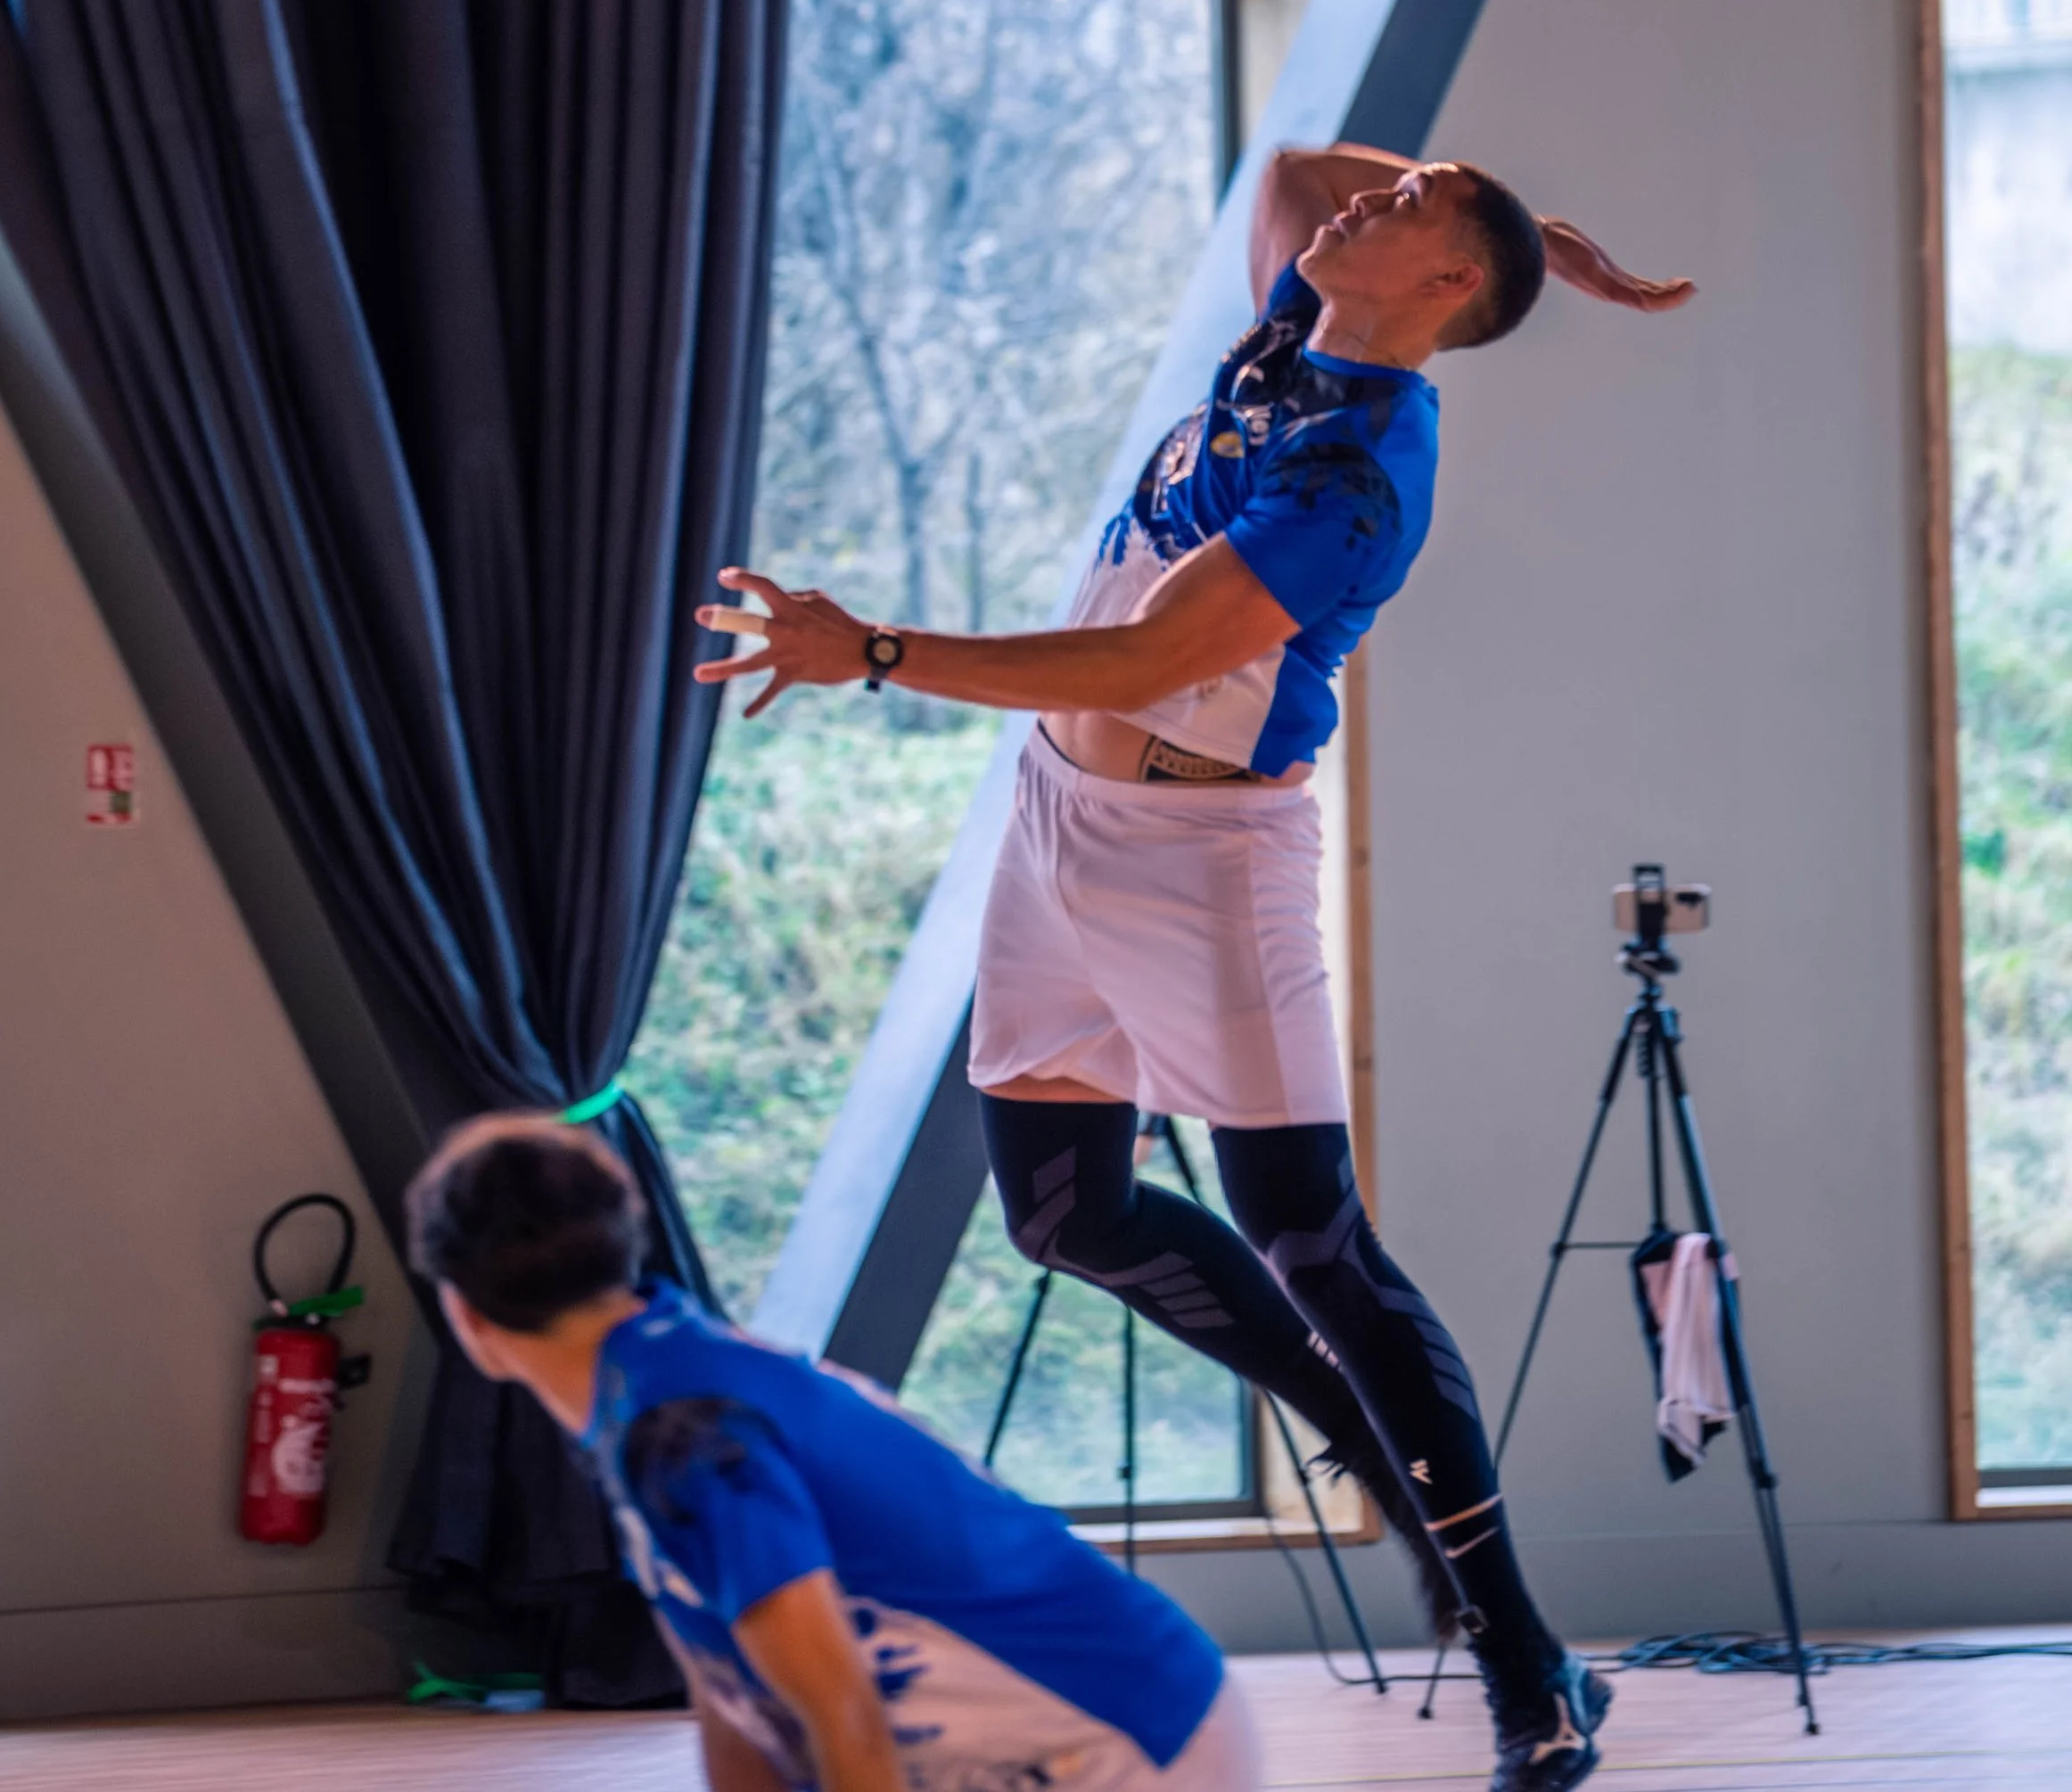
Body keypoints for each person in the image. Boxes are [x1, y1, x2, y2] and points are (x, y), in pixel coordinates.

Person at [699, 144, 1694, 1792]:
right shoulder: (1291, 340)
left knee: (1313, 1240)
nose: (1360, 207)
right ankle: (1351, 1409)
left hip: (1202, 864)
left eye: (1411, 212)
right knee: (1066, 1213)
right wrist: (1505, 218)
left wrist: (868, 647)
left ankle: (1522, 1657)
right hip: (1057, 827)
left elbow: (1149, 654)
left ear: (1442, 292)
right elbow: (1303, 167)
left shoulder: (1360, 467)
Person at [407, 1111, 1265, 1792]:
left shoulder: (686, 1436)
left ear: (466, 1315)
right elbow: (732, 1696)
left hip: (1123, 1739)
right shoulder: (653, 1372)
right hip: (1086, 1722)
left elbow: (842, 1717)